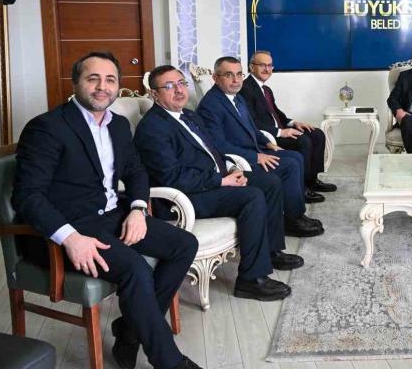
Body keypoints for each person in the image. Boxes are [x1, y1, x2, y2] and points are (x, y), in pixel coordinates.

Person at [12, 52, 200, 369]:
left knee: (184, 244)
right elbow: (27, 196)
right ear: (75, 83)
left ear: (117, 86)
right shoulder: (47, 127)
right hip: (68, 228)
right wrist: (70, 238)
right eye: (93, 78)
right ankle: (170, 362)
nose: (102, 86)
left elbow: (136, 172)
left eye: (110, 79)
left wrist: (138, 209)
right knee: (135, 268)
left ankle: (129, 332)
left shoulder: (119, 125)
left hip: (113, 217)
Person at [134, 65, 303, 303]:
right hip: (184, 197)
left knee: (270, 182)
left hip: (213, 180)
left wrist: (231, 168)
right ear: (154, 94)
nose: (179, 90)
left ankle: (271, 251)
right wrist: (222, 180)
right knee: (252, 196)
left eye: (182, 83)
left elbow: (214, 150)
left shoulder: (189, 115)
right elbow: (173, 176)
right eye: (169, 86)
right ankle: (251, 280)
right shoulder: (152, 128)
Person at [196, 56, 323, 236]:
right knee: (289, 165)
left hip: (255, 149)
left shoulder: (237, 98)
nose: (236, 80)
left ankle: (296, 213)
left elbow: (253, 129)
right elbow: (217, 145)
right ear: (216, 78)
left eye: (239, 74)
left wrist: (269, 143)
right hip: (240, 159)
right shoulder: (211, 105)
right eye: (229, 75)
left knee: (295, 156)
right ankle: (292, 221)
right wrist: (256, 156)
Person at [239, 50, 336, 202]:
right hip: (268, 136)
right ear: (251, 67)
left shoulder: (265, 89)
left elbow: (276, 113)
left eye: (270, 65)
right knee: (303, 141)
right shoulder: (245, 88)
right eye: (262, 65)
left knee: (317, 134)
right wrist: (281, 132)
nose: (267, 69)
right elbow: (252, 122)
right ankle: (302, 188)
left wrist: (293, 123)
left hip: (280, 129)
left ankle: (312, 180)